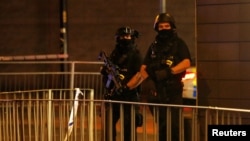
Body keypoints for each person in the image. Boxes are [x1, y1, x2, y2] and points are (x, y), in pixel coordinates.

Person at [124, 13, 192, 141]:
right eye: (161, 26)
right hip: (156, 92)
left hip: (173, 91)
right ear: (157, 28)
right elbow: (143, 69)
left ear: (172, 26)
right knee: (162, 126)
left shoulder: (179, 43)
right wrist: (129, 87)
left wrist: (169, 72)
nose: (164, 28)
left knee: (174, 126)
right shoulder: (153, 46)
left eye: (167, 26)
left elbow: (186, 62)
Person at [100, 26, 143, 141]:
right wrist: (105, 71)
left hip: (129, 96)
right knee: (108, 126)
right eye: (123, 36)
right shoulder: (115, 53)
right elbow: (108, 69)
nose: (125, 38)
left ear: (132, 37)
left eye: (128, 36)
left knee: (129, 128)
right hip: (113, 96)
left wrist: (126, 88)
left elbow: (140, 75)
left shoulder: (136, 55)